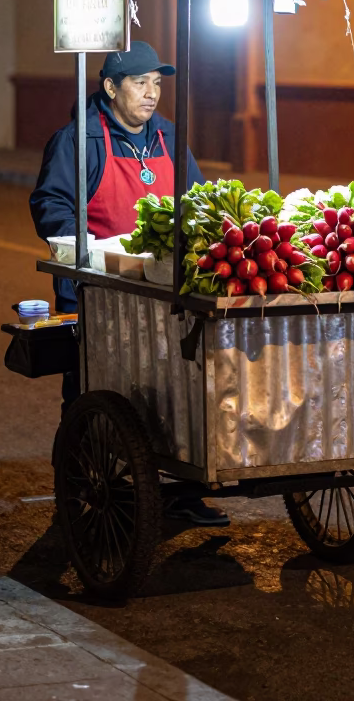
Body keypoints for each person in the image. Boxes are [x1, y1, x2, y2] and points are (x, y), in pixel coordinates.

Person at [30, 39, 228, 527]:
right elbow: (51, 207)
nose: (152, 93)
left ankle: (181, 494)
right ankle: (77, 494)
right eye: (140, 83)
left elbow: (198, 201)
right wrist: (95, 250)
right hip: (97, 293)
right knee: (91, 393)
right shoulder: (78, 140)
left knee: (176, 390)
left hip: (160, 291)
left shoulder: (166, 138)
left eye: (157, 84)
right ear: (111, 87)